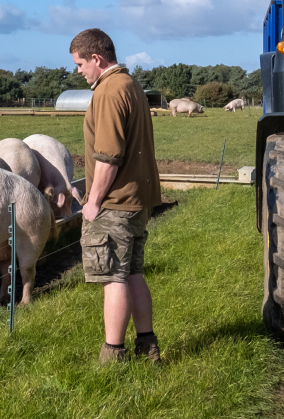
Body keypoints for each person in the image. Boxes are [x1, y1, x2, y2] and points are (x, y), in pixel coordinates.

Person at [72, 28, 162, 364]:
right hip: (138, 199)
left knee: (113, 277)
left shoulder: (109, 91)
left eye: (80, 64)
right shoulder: (132, 85)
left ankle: (113, 353)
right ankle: (147, 345)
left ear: (96, 58)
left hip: (115, 202)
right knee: (133, 272)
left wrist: (93, 200)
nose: (79, 71)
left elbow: (108, 155)